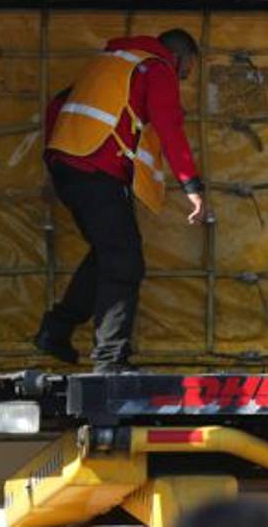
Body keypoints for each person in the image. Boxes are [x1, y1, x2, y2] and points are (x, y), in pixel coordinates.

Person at [34, 29, 210, 374]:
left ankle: (56, 330)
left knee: (108, 254)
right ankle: (109, 360)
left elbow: (59, 103)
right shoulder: (156, 67)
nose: (184, 78)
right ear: (178, 57)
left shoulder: (111, 61)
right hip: (97, 172)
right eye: (187, 70)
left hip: (70, 169)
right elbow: (170, 128)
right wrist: (192, 186)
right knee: (124, 262)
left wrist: (54, 162)